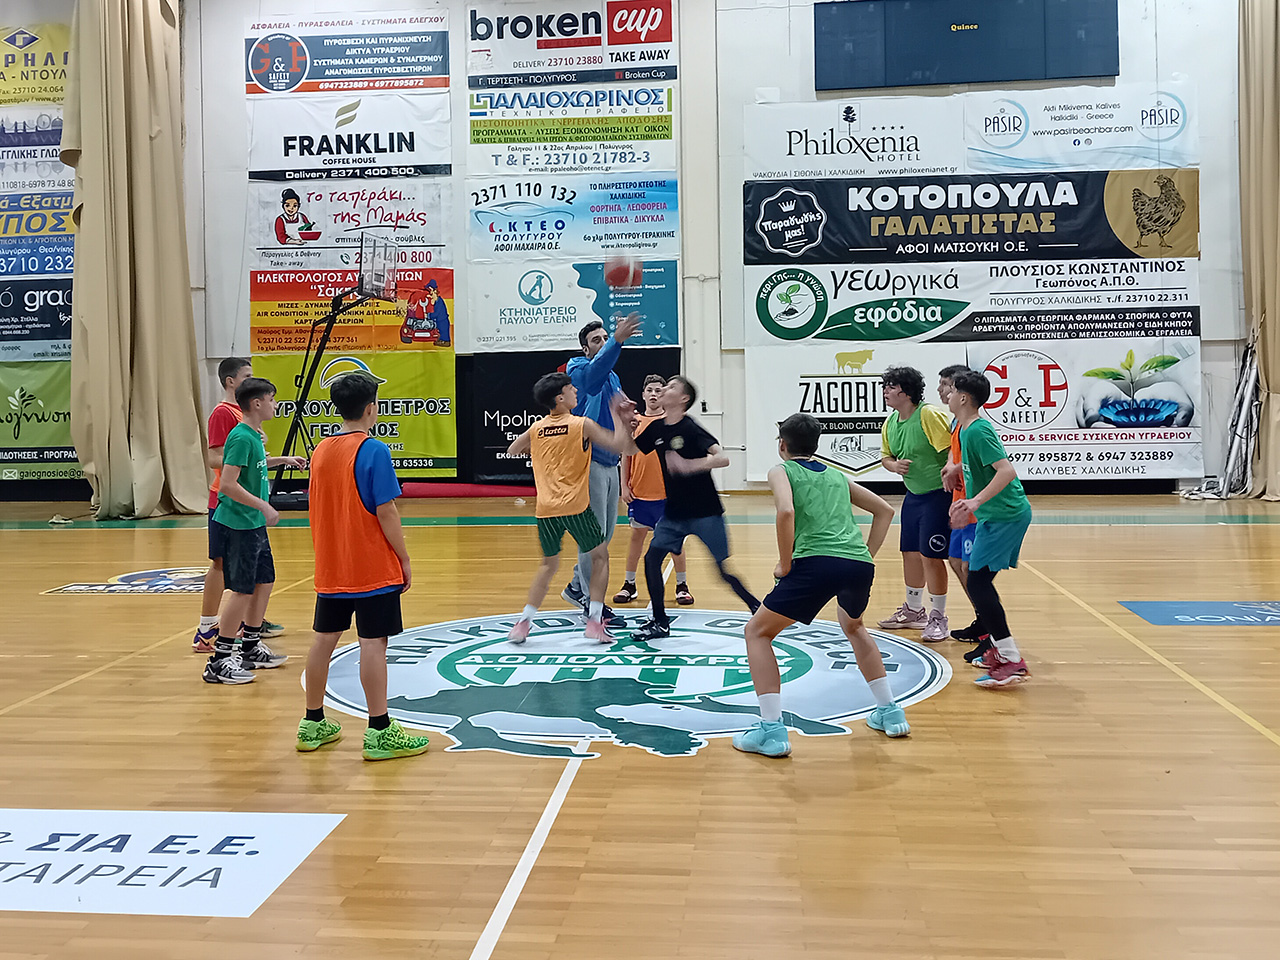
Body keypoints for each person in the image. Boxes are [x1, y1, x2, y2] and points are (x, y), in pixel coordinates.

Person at [733, 413, 909, 758]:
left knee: (757, 632)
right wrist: (864, 555)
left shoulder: (781, 470)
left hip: (815, 563)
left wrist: (785, 563)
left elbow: (786, 511)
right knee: (854, 627)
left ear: (782, 445)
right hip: (857, 564)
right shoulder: (837, 475)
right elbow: (885, 511)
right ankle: (890, 711)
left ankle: (771, 729)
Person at [295, 371, 430, 760]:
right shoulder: (374, 450)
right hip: (370, 566)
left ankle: (312, 722)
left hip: (332, 565)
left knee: (323, 640)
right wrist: (404, 558)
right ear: (371, 408)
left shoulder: (321, 450)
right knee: (373, 644)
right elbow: (386, 511)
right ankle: (380, 730)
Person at [506, 373, 637, 644]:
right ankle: (594, 621)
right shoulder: (581, 424)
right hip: (575, 506)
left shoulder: (537, 428)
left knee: (548, 566)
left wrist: (538, 452)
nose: (575, 391)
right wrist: (620, 418)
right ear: (560, 398)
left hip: (545, 509)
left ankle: (523, 623)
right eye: (570, 388)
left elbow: (512, 450)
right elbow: (621, 446)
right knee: (600, 558)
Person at [632, 376, 760, 642]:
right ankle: (660, 622)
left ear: (683, 399)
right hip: (674, 514)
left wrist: (691, 466)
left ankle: (756, 607)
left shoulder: (690, 428)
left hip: (705, 513)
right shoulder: (656, 429)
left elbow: (722, 458)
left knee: (721, 570)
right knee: (652, 560)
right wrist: (622, 421)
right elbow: (627, 448)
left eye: (671, 387)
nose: (663, 389)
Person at [202, 377, 306, 684]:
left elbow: (252, 466)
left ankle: (250, 646)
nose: (275, 405)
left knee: (265, 580)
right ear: (257, 403)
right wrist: (264, 506)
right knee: (242, 590)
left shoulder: (253, 436)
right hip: (239, 523)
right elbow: (228, 483)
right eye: (272, 400)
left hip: (253, 523)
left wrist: (283, 460)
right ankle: (220, 660)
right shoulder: (241, 436)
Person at [193, 357, 286, 653]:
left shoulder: (248, 423)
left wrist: (276, 459)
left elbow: (251, 463)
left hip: (249, 509)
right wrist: (262, 502)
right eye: (246, 376)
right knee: (225, 569)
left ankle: (249, 629)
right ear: (230, 381)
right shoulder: (227, 417)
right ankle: (209, 629)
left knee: (259, 578)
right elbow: (216, 462)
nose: (251, 380)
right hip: (232, 507)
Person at [947, 370, 1032, 687]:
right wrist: (956, 469)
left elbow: (1006, 471)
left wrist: (974, 502)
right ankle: (999, 648)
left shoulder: (978, 430)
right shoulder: (966, 430)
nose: (948, 396)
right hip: (994, 516)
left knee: (979, 583)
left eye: (952, 391)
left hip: (1005, 515)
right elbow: (978, 464)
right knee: (978, 581)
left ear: (964, 398)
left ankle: (1010, 658)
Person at [561, 314, 643, 624]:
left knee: (603, 537)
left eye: (606, 338)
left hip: (610, 460)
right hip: (588, 460)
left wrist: (629, 416)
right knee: (593, 538)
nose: (604, 342)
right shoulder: (577, 368)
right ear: (585, 349)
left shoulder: (613, 376)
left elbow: (619, 406)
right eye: (597, 340)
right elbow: (593, 377)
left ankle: (576, 586)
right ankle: (590, 604)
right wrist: (617, 341)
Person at [876, 365, 952, 642]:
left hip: (938, 495)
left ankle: (938, 616)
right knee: (909, 553)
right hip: (913, 496)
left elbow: (952, 449)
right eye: (885, 386)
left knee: (931, 556)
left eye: (891, 386)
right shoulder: (890, 423)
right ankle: (914, 610)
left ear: (907, 392)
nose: (886, 391)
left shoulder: (928, 415)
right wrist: (894, 466)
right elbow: (886, 457)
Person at [614, 374, 692, 607]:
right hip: (640, 493)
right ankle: (629, 584)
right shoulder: (635, 422)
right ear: (643, 394)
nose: (654, 394)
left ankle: (682, 585)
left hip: (667, 495)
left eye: (659, 390)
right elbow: (626, 455)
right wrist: (624, 485)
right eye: (650, 390)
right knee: (636, 539)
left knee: (675, 542)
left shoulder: (672, 422)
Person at [937, 364, 987, 656]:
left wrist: (957, 467)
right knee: (956, 562)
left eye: (947, 385)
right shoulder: (956, 422)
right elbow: (953, 452)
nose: (942, 390)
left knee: (971, 568)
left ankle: (989, 626)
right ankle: (982, 619)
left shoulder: (976, 427)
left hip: (973, 506)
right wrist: (950, 465)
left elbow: (998, 467)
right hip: (960, 503)